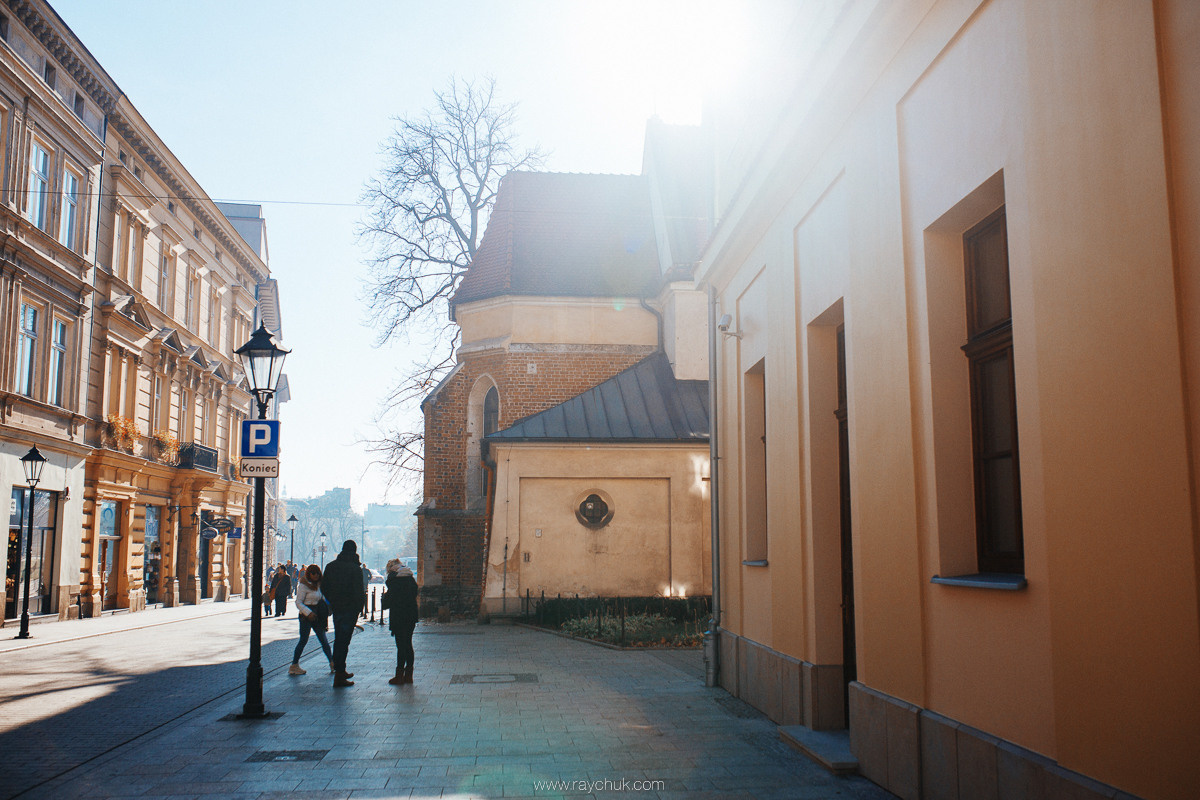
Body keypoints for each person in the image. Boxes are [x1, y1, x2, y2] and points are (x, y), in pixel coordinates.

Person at [322, 539, 365, 687]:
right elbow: (359, 591)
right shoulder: (355, 569)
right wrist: (359, 608)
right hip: (350, 608)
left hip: (337, 608)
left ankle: (340, 669)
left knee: (339, 638)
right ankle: (339, 674)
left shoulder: (330, 567)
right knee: (343, 641)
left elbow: (324, 587)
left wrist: (332, 601)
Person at [288, 564, 334, 675]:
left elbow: (322, 597)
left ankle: (332, 663)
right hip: (306, 615)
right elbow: (298, 602)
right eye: (313, 573)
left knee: (323, 639)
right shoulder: (303, 585)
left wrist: (329, 606)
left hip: (317, 614)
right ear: (309, 574)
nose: (316, 575)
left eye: (318, 573)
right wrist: (308, 613)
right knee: (303, 640)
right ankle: (294, 665)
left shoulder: (318, 585)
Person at [383, 557, 419, 685]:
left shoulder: (394, 580)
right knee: (408, 644)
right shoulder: (410, 578)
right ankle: (409, 675)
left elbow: (389, 601)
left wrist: (385, 598)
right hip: (410, 616)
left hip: (399, 616)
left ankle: (399, 675)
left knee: (400, 645)